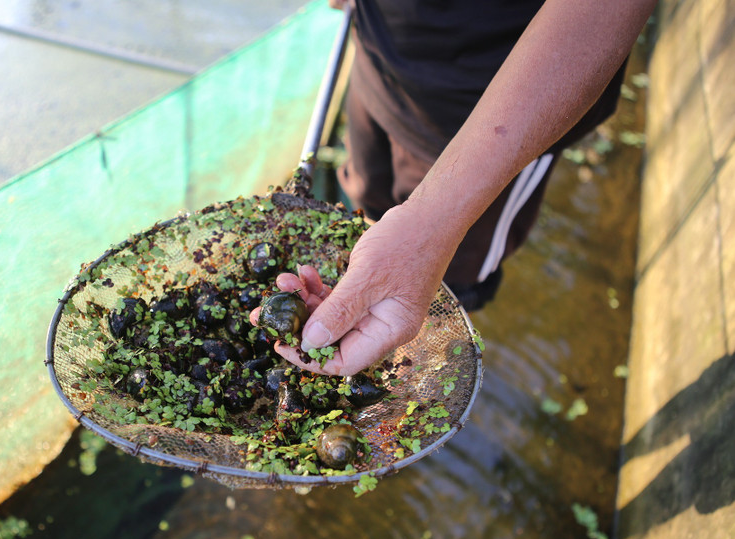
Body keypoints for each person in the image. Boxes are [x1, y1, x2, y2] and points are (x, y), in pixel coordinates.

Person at [252, 0, 657, 376]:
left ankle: (421, 371)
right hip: (379, 61)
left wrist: (433, 224)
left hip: (497, 123)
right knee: (363, 211)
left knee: (451, 283)